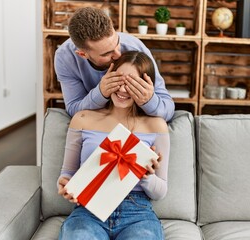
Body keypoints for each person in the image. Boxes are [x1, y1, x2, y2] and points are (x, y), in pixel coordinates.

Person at [57, 51, 170, 240]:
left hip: (137, 213)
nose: (123, 90)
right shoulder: (83, 119)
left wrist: (145, 176)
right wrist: (65, 185)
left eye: (132, 84)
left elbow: (161, 192)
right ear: (108, 76)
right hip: (88, 211)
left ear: (145, 86)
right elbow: (67, 173)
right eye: (119, 80)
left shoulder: (156, 125)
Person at [54, 6, 175, 121]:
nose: (118, 55)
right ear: (82, 54)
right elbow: (73, 109)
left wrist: (149, 101)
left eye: (117, 43)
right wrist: (100, 93)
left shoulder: (136, 48)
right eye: (106, 54)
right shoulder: (65, 58)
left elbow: (168, 109)